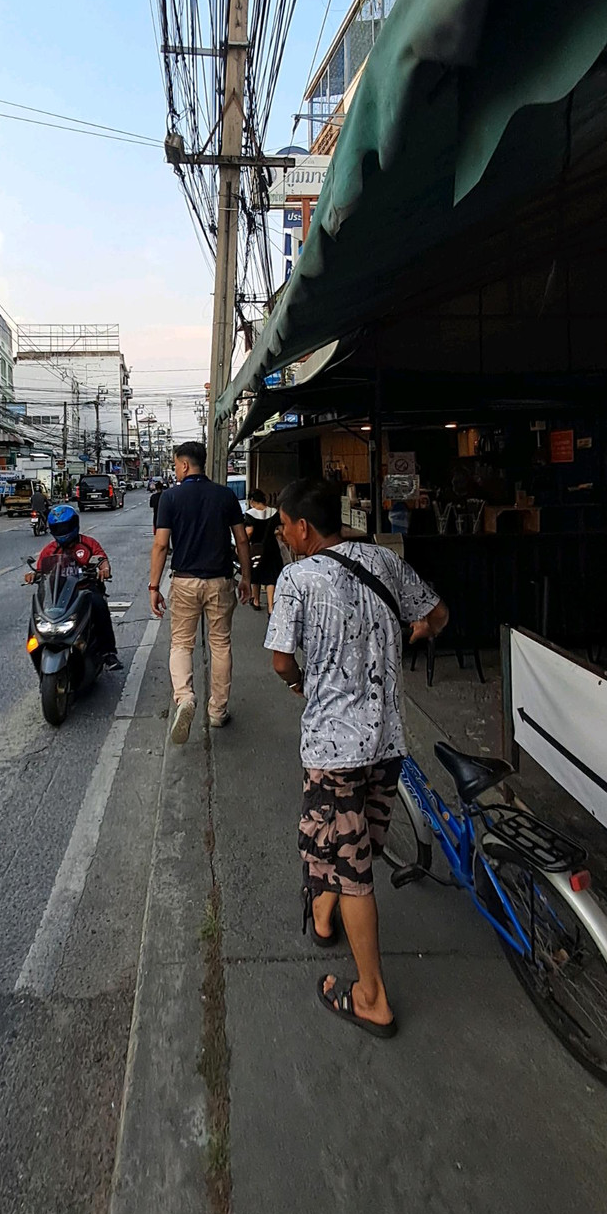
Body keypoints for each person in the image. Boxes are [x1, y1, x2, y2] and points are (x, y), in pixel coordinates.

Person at [265, 479, 448, 1038]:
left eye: (284, 526)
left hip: (334, 749)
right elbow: (437, 616)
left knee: (353, 870)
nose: (281, 535)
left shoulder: (297, 578)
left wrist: (300, 682)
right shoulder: (383, 562)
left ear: (303, 528)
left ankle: (371, 996)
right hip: (388, 742)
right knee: (354, 839)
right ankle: (323, 919)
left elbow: (278, 662)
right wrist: (406, 635)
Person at [149, 441, 251, 741]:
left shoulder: (170, 497)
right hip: (220, 581)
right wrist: (246, 576)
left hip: (184, 582)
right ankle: (218, 712)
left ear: (183, 465)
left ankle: (185, 698)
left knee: (181, 643)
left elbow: (161, 544)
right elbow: (242, 541)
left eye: (175, 465)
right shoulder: (224, 496)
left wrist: (154, 586)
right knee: (220, 645)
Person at [28, 504, 122, 670]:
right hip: (57, 595)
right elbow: (40, 570)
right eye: (57, 527)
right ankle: (38, 650)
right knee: (37, 611)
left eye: (64, 526)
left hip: (85, 590)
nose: (62, 530)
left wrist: (104, 569)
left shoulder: (88, 544)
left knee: (99, 605)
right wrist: (32, 575)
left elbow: (101, 559)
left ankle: (108, 653)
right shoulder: (50, 549)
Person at [243, 487, 283, 613]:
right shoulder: (274, 512)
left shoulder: (250, 514)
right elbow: (280, 530)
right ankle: (271, 606)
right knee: (271, 576)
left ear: (252, 500)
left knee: (256, 574)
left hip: (256, 547)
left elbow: (249, 532)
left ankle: (256, 600)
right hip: (272, 547)